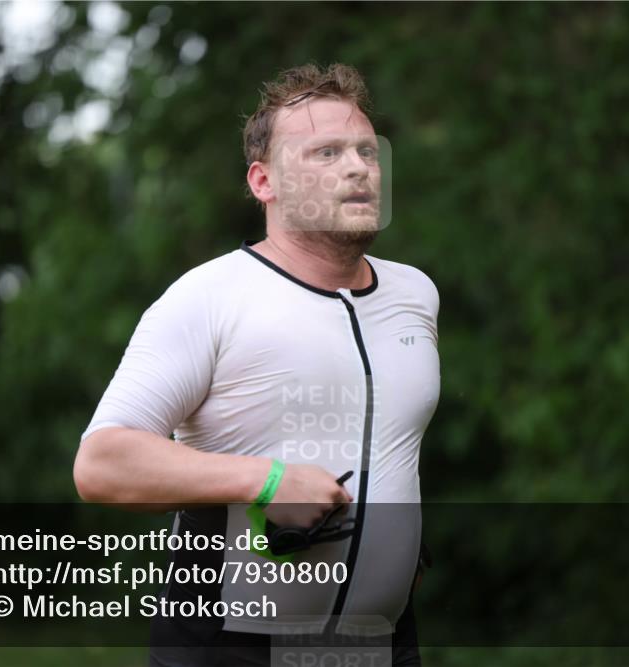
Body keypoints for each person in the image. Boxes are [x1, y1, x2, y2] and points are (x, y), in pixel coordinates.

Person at [73, 62, 440, 667]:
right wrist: (265, 481)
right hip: (233, 650)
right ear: (264, 181)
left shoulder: (415, 295)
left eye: (367, 153)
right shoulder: (209, 297)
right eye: (325, 153)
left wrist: (395, 550)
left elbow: (387, 448)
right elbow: (103, 463)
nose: (357, 168)